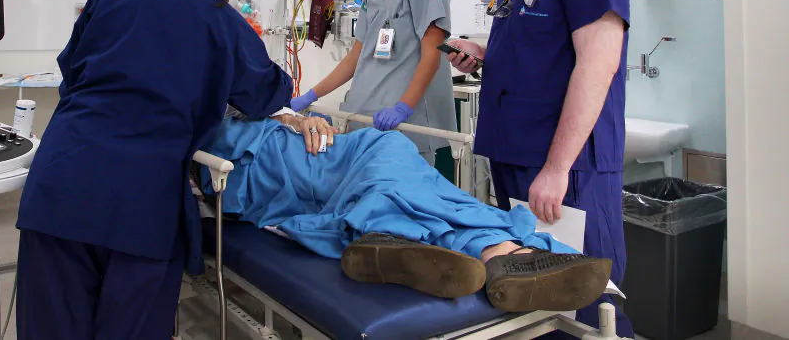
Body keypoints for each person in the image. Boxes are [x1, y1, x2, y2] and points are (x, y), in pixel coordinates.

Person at [14, 0, 334, 340]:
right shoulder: (219, 17)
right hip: (141, 201)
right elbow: (266, 92)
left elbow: (72, 74)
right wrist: (287, 110)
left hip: (63, 183)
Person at [447, 0, 634, 337]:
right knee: (539, 296)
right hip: (516, 155)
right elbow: (539, 48)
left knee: (589, 297)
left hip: (565, 166)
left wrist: (556, 168)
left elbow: (599, 61)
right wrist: (483, 53)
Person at [201, 115, 613, 313]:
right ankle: (499, 249)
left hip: (297, 152)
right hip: (278, 159)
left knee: (394, 167)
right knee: (391, 160)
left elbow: (258, 98)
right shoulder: (207, 120)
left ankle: (396, 240)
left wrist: (288, 114)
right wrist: (283, 117)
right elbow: (250, 101)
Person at [290, 0, 456, 165]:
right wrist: (311, 94)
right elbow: (356, 55)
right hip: (364, 113)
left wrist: (404, 107)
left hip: (405, 120)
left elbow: (432, 54)